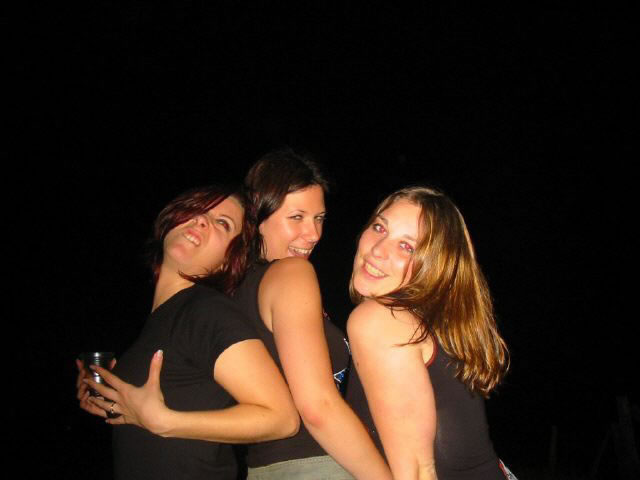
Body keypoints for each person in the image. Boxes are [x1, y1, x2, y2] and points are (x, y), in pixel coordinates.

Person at [79, 150, 391, 480]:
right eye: (297, 217)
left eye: (319, 219)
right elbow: (317, 409)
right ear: (257, 222)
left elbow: (188, 395)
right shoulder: (282, 277)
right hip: (317, 464)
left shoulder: (218, 301)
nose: (314, 234)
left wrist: (114, 393)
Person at [79, 185, 299, 480]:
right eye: (198, 209)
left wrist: (165, 421)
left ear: (228, 260)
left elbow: (281, 419)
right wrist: (107, 397)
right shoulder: (161, 321)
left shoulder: (206, 311)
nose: (202, 220)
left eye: (223, 223)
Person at [347, 186, 515, 480]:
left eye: (407, 246)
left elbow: (417, 472)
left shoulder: (380, 320)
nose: (377, 250)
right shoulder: (428, 326)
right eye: (379, 228)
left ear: (435, 266)